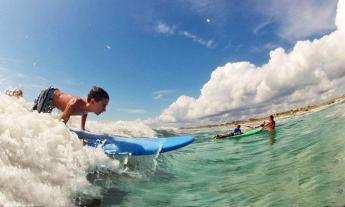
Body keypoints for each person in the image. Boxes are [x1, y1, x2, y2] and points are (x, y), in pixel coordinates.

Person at [32, 86, 109, 130]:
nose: (105, 110)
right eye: (103, 105)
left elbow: (85, 113)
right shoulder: (75, 103)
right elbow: (60, 125)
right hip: (49, 95)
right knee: (36, 120)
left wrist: (83, 128)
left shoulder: (88, 107)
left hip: (54, 97)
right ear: (93, 102)